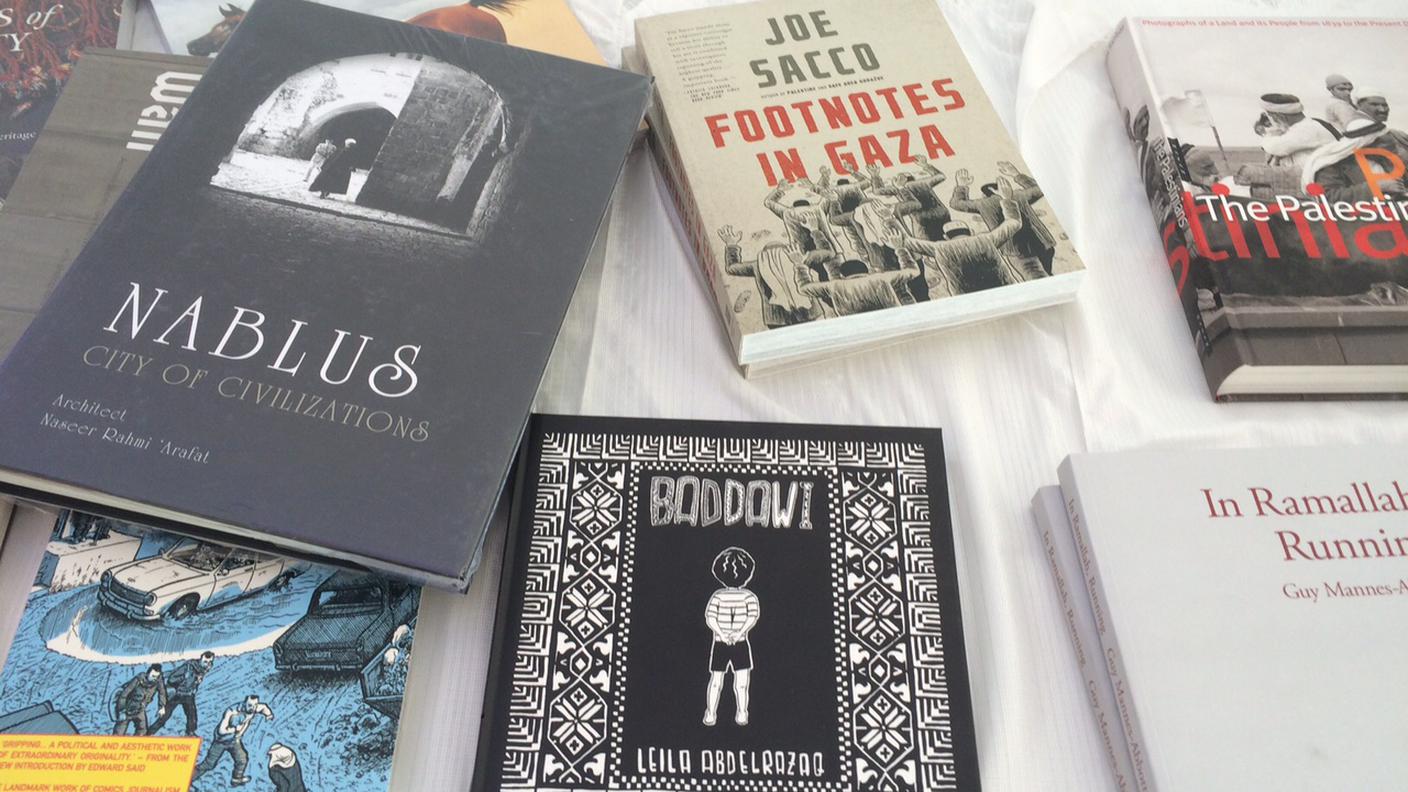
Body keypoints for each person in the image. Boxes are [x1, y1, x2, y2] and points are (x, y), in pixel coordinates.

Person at [893, 188, 1029, 296]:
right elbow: (1014, 222)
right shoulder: (986, 239)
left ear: (945, 237)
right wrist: (1006, 199)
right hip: (1006, 291)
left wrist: (891, 218)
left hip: (968, 298)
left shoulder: (940, 247)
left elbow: (906, 241)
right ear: (970, 232)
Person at [950, 165, 1055, 278]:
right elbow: (1039, 189)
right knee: (1047, 273)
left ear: (985, 194)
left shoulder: (984, 203)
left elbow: (956, 204)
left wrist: (962, 185)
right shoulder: (1019, 195)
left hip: (1017, 251)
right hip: (1043, 244)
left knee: (1035, 277)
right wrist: (1016, 175)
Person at [717, 226, 824, 328]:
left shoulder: (760, 264)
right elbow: (826, 255)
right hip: (800, 314)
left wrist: (731, 244)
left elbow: (732, 268)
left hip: (778, 318)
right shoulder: (797, 259)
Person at [703, 547, 760, 727]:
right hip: (724, 643)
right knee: (719, 682)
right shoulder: (719, 597)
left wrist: (736, 633)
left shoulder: (747, 597)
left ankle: (742, 712)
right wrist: (725, 634)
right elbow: (710, 618)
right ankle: (711, 712)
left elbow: (752, 617)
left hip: (737, 643)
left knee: (737, 682)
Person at [1302, 117, 1408, 202]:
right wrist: (1376, 187)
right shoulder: (1333, 165)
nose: (1389, 148)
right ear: (1366, 143)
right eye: (1382, 143)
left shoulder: (1385, 159)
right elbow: (1328, 197)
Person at [193, 694, 275, 787]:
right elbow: (221, 730)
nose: (253, 708)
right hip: (221, 741)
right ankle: (188, 777)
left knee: (242, 759)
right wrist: (235, 729)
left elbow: (264, 707)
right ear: (244, 703)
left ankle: (236, 779)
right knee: (209, 764)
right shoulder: (231, 712)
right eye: (250, 705)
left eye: (255, 705)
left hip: (234, 740)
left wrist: (269, 714)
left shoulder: (254, 708)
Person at [1255, 93, 1339, 168]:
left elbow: (1275, 147)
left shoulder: (1305, 128)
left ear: (1279, 116)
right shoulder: (1308, 125)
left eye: (1270, 116)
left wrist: (1267, 134)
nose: (1272, 120)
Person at [147, 651, 214, 736]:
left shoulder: (203, 669)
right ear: (200, 659)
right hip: (177, 694)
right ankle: (149, 733)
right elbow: (172, 679)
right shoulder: (188, 667)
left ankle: (190, 733)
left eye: (210, 662)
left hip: (188, 695)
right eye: (205, 661)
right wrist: (183, 678)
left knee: (192, 716)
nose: (207, 664)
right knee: (165, 716)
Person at [113, 664, 167, 735]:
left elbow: (162, 693)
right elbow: (124, 695)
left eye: (157, 677)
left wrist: (161, 706)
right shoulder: (138, 679)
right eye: (153, 676)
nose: (155, 678)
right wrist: (122, 711)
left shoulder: (158, 681)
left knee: (142, 730)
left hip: (140, 711)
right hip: (127, 710)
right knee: (118, 733)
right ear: (148, 674)